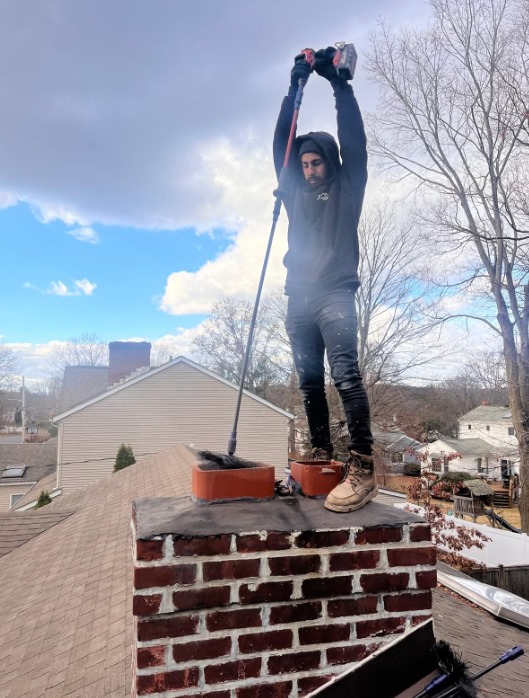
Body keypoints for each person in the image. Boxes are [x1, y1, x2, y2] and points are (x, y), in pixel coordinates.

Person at [273, 48, 377, 513]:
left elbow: (353, 142)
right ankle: (320, 453)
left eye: (317, 162)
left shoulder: (347, 187)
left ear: (329, 164)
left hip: (335, 292)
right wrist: (295, 84)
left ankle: (363, 467)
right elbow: (282, 141)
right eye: (306, 164)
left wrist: (338, 84)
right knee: (309, 381)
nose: (311, 169)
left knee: (345, 375)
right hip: (298, 297)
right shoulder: (294, 192)